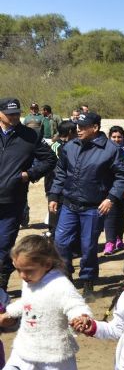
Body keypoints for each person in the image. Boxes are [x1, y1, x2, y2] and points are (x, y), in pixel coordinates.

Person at [0, 235, 92, 370]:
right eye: (18, 270)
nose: (22, 276)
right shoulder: (30, 280)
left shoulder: (60, 286)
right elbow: (29, 301)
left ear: (47, 264)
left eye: (28, 270)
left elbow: (75, 305)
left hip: (53, 356)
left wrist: (81, 317)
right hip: (25, 351)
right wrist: (10, 312)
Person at [49, 112, 124, 294]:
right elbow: (61, 173)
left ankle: (87, 280)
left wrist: (111, 198)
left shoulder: (110, 150)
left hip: (94, 207)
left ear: (95, 128)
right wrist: (54, 195)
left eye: (82, 127)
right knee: (61, 242)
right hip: (69, 204)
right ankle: (66, 278)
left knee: (88, 246)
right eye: (76, 126)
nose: (77, 130)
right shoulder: (70, 147)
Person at [0, 98, 57, 291]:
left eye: (16, 113)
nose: (14, 116)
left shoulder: (30, 135)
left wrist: (28, 174)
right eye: (10, 114)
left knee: (5, 245)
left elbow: (50, 159)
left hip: (12, 201)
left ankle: (1, 287)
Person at [104, 126, 124, 255]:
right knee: (110, 215)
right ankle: (109, 242)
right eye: (114, 137)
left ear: (123, 137)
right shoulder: (104, 150)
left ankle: (119, 239)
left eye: (119, 137)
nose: (117, 139)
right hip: (110, 187)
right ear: (109, 137)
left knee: (122, 215)